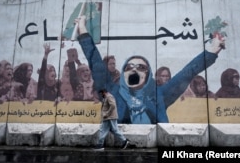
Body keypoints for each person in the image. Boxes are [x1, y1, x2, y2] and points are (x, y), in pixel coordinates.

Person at [75, 15, 225, 124]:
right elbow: (96, 65)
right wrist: (82, 29)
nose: (134, 69)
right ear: (123, 73)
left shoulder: (160, 95)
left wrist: (212, 51)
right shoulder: (111, 93)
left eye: (141, 67)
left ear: (148, 75)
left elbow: (188, 73)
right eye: (129, 67)